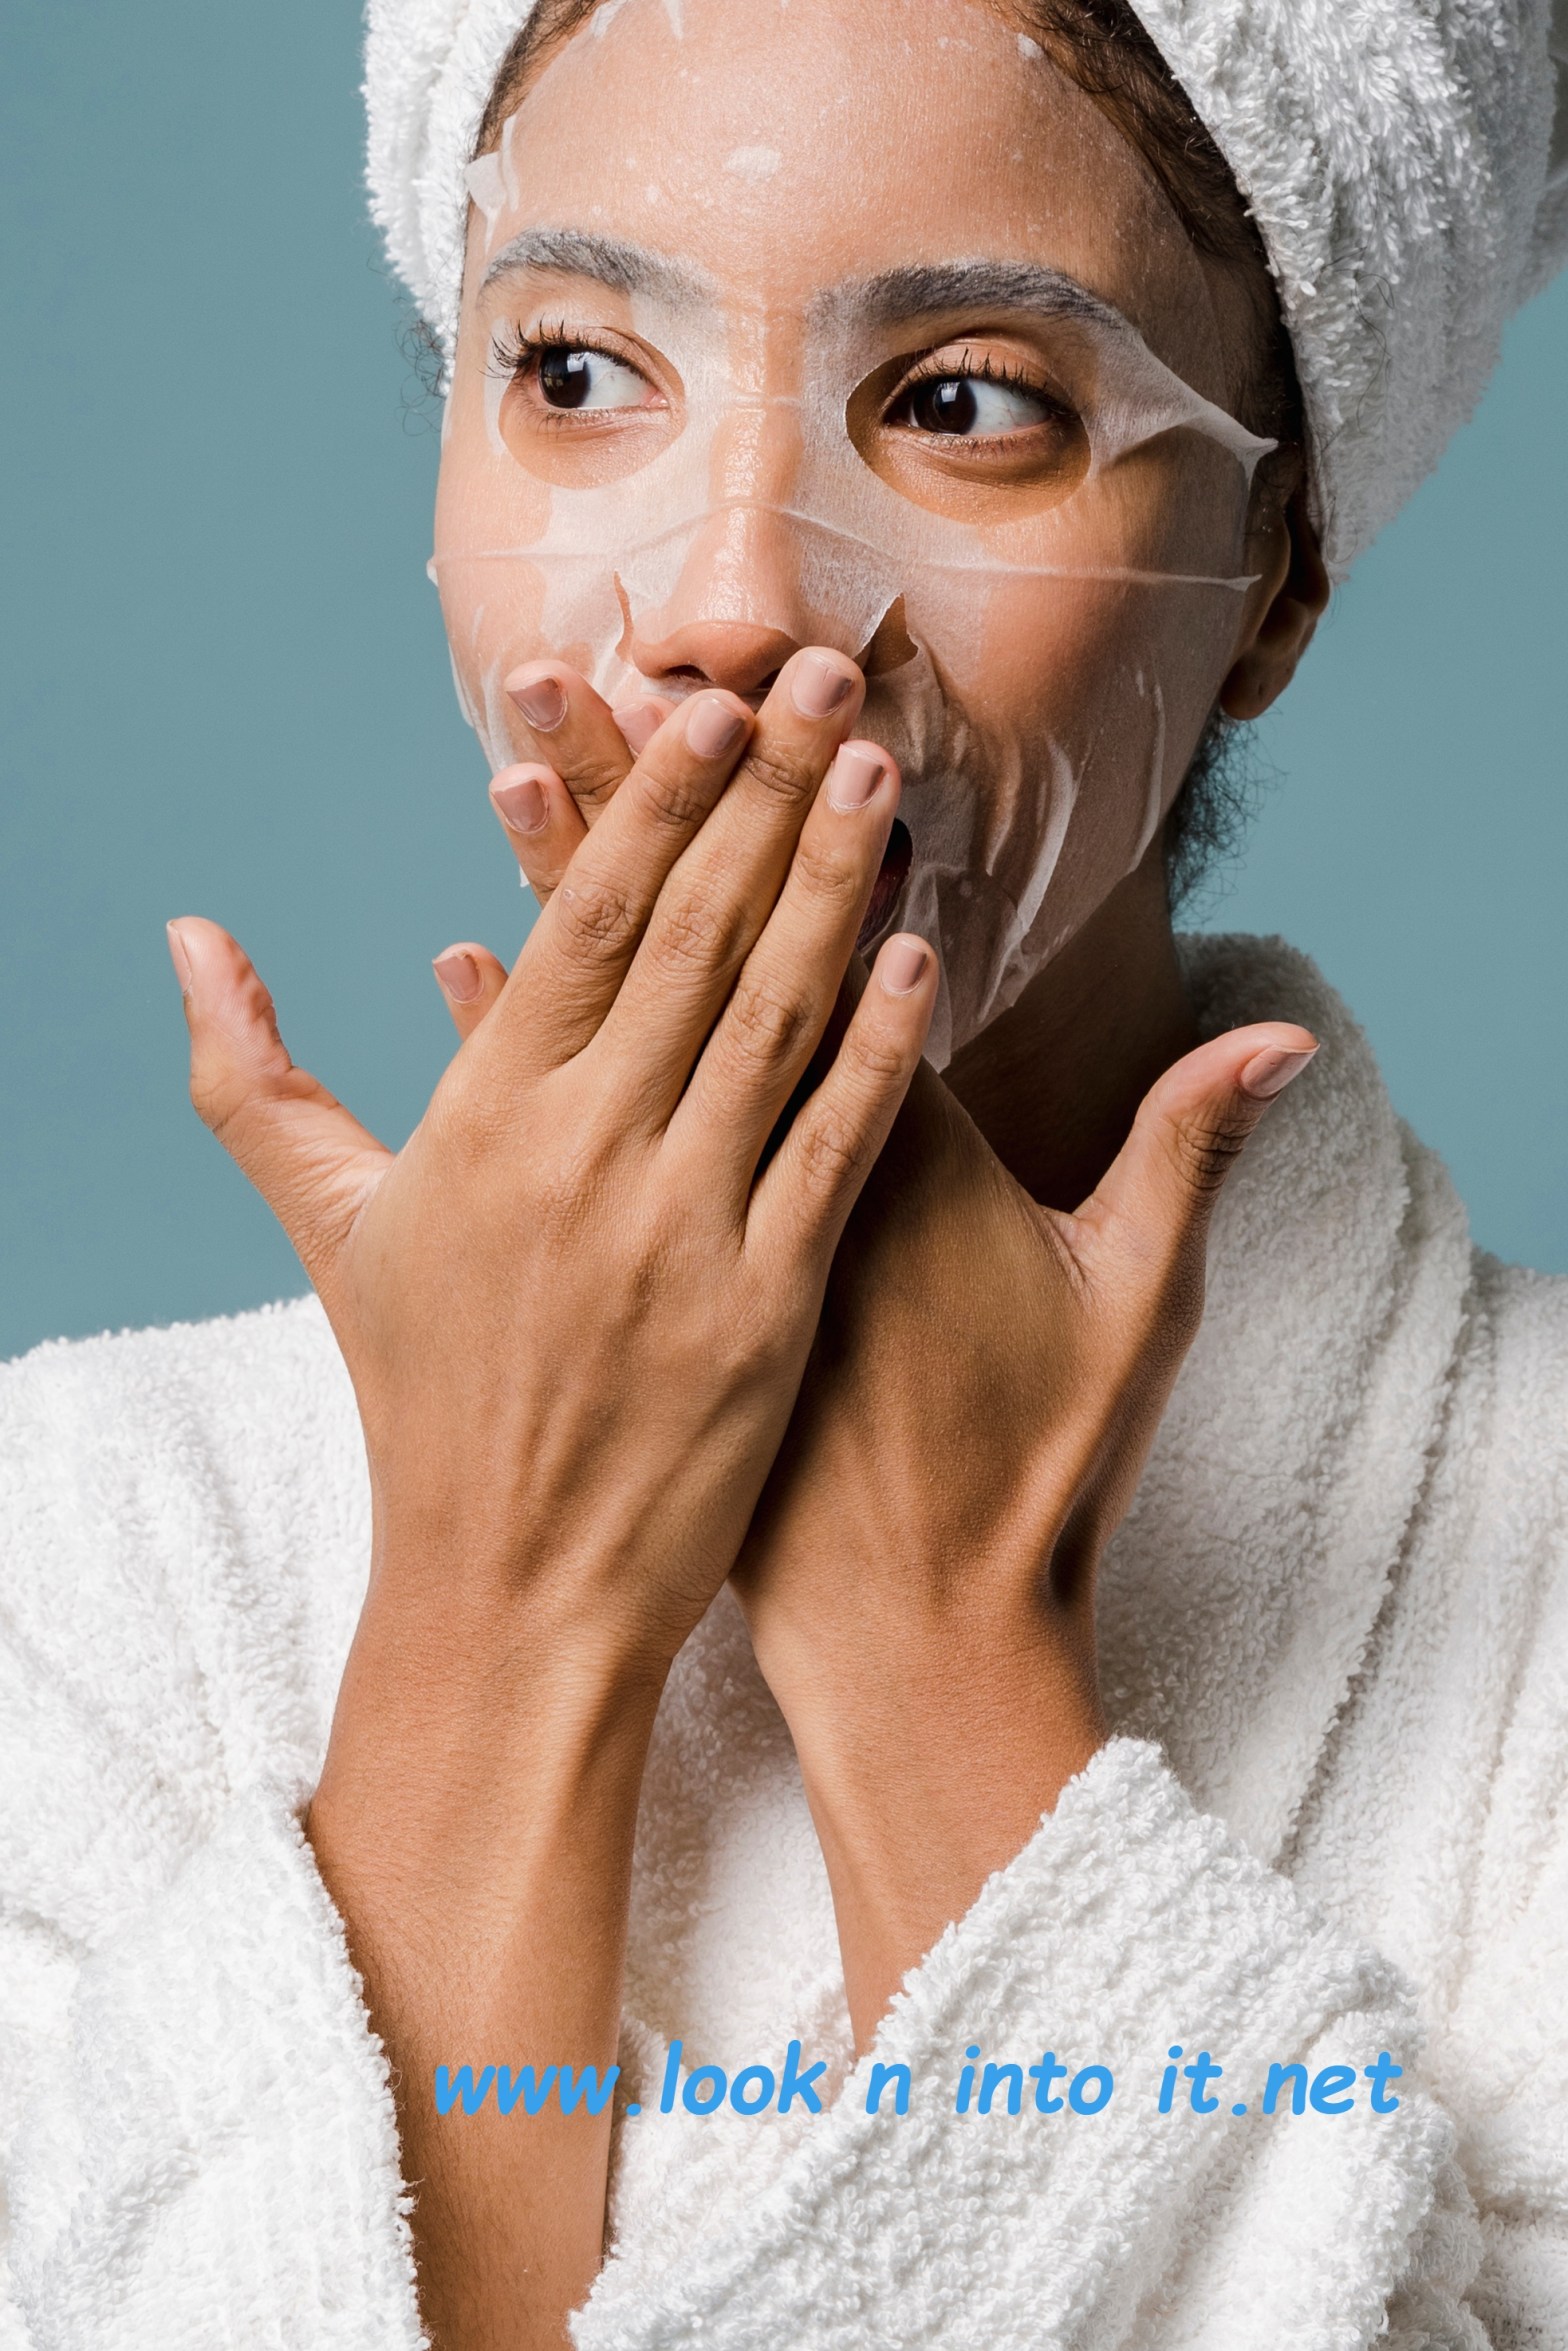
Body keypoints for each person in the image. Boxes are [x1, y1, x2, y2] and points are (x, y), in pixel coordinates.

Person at [2, 0, 1565, 2344]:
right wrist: (501, 1600)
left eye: (964, 403)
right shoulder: (79, 1558)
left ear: (1275, 571)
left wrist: (940, 1663)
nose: (733, 601)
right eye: (574, 373)